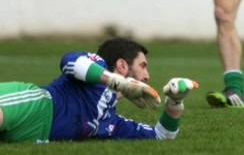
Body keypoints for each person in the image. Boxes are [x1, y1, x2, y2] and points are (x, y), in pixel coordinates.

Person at [0, 37, 198, 143]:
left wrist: (175, 102)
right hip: (35, 105)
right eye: (143, 65)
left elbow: (161, 137)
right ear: (121, 65)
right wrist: (117, 82)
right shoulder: (97, 64)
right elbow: (69, 62)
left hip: (34, 135)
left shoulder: (111, 122)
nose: (147, 76)